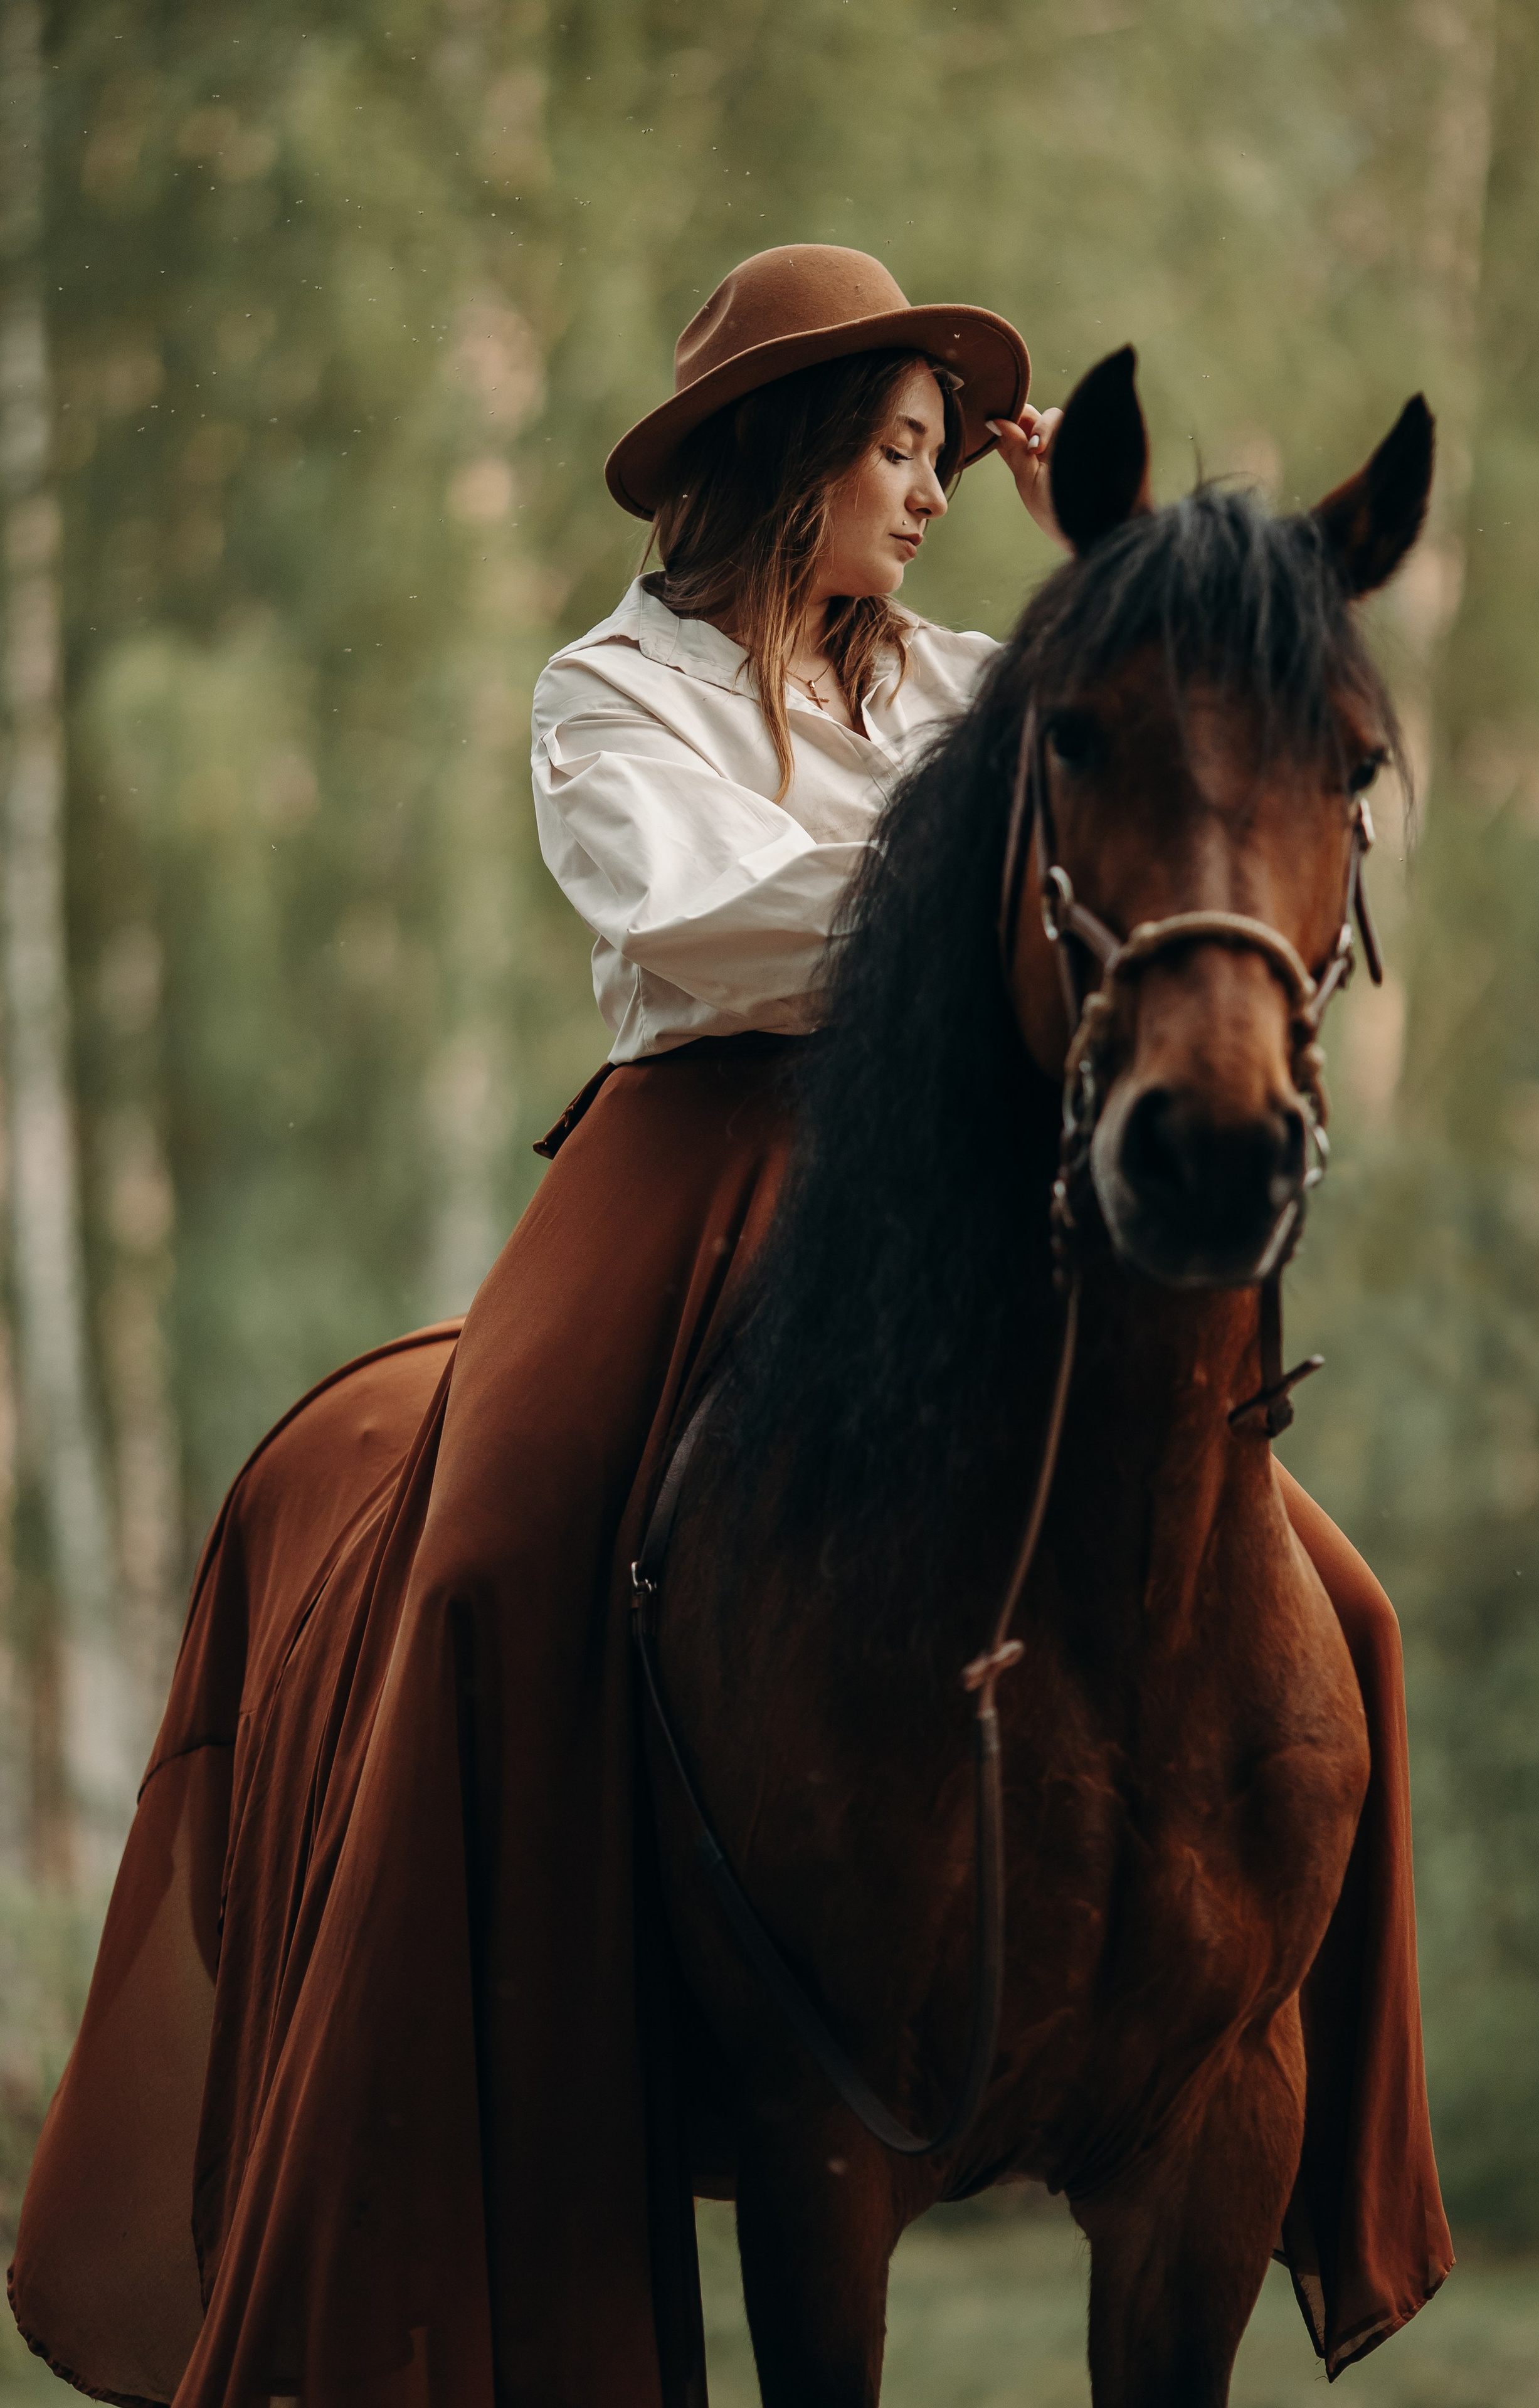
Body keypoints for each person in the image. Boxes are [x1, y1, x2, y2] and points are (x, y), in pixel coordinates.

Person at [9, 246, 1449, 2408]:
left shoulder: (973, 676)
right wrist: (970, 904)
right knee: (492, 1537)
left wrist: (1111, 563)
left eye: (944, 456)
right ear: (792, 459)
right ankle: (452, 2022)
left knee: (1333, 1608)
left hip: (959, 1185)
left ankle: (1327, 2125)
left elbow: (1156, 778)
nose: (932, 492)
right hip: (699, 1149)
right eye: (900, 451)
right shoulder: (607, 693)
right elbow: (692, 926)